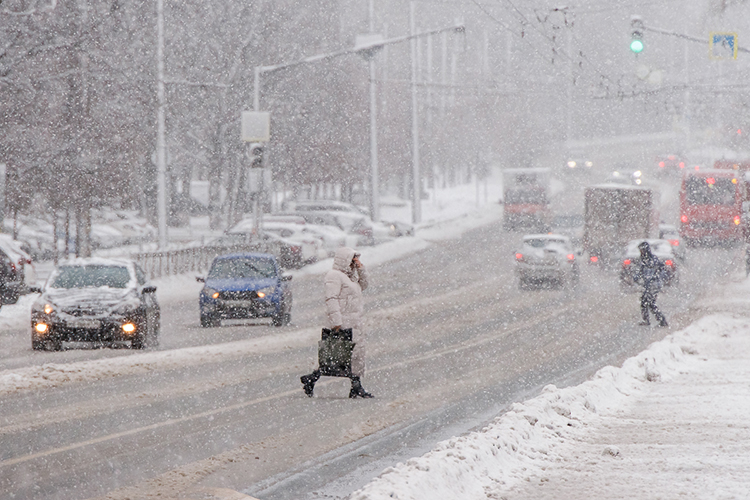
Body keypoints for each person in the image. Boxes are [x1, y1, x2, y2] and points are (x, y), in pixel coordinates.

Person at [300, 247, 373, 398]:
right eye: (352, 260)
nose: (354, 263)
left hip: (354, 323)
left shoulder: (350, 278)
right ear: (345, 260)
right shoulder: (334, 276)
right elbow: (331, 298)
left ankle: (355, 386)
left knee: (352, 356)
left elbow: (364, 285)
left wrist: (361, 269)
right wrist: (336, 322)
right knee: (336, 356)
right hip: (343, 322)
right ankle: (312, 378)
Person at [634, 241, 668, 327]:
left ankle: (658, 321)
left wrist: (654, 278)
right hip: (652, 285)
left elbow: (658, 270)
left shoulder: (648, 260)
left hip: (652, 285)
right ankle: (659, 321)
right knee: (648, 302)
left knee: (647, 302)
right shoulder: (651, 259)